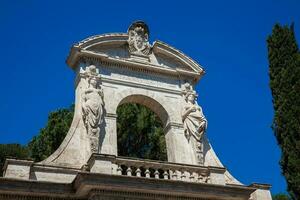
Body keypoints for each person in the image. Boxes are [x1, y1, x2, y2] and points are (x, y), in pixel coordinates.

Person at [182, 90, 207, 164]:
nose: (191, 97)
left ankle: (199, 159)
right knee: (194, 141)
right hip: (190, 122)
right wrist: (189, 110)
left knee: (199, 142)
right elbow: (182, 115)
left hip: (199, 123)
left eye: (193, 96)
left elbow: (202, 116)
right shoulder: (185, 105)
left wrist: (204, 121)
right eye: (190, 96)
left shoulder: (198, 107)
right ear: (187, 97)